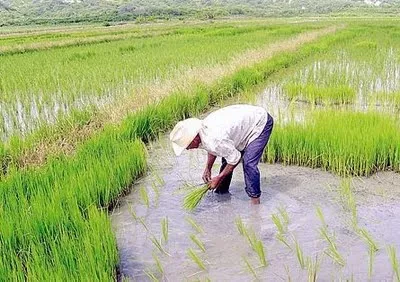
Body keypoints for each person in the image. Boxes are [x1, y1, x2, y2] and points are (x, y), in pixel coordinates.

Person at [169, 104, 274, 205]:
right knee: (227, 156)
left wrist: (219, 177)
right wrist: (208, 168)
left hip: (259, 123)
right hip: (242, 126)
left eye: (187, 145)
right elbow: (213, 149)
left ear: (194, 138)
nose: (187, 149)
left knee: (248, 163)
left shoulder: (214, 138)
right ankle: (221, 193)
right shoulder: (203, 133)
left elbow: (235, 158)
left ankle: (255, 203)